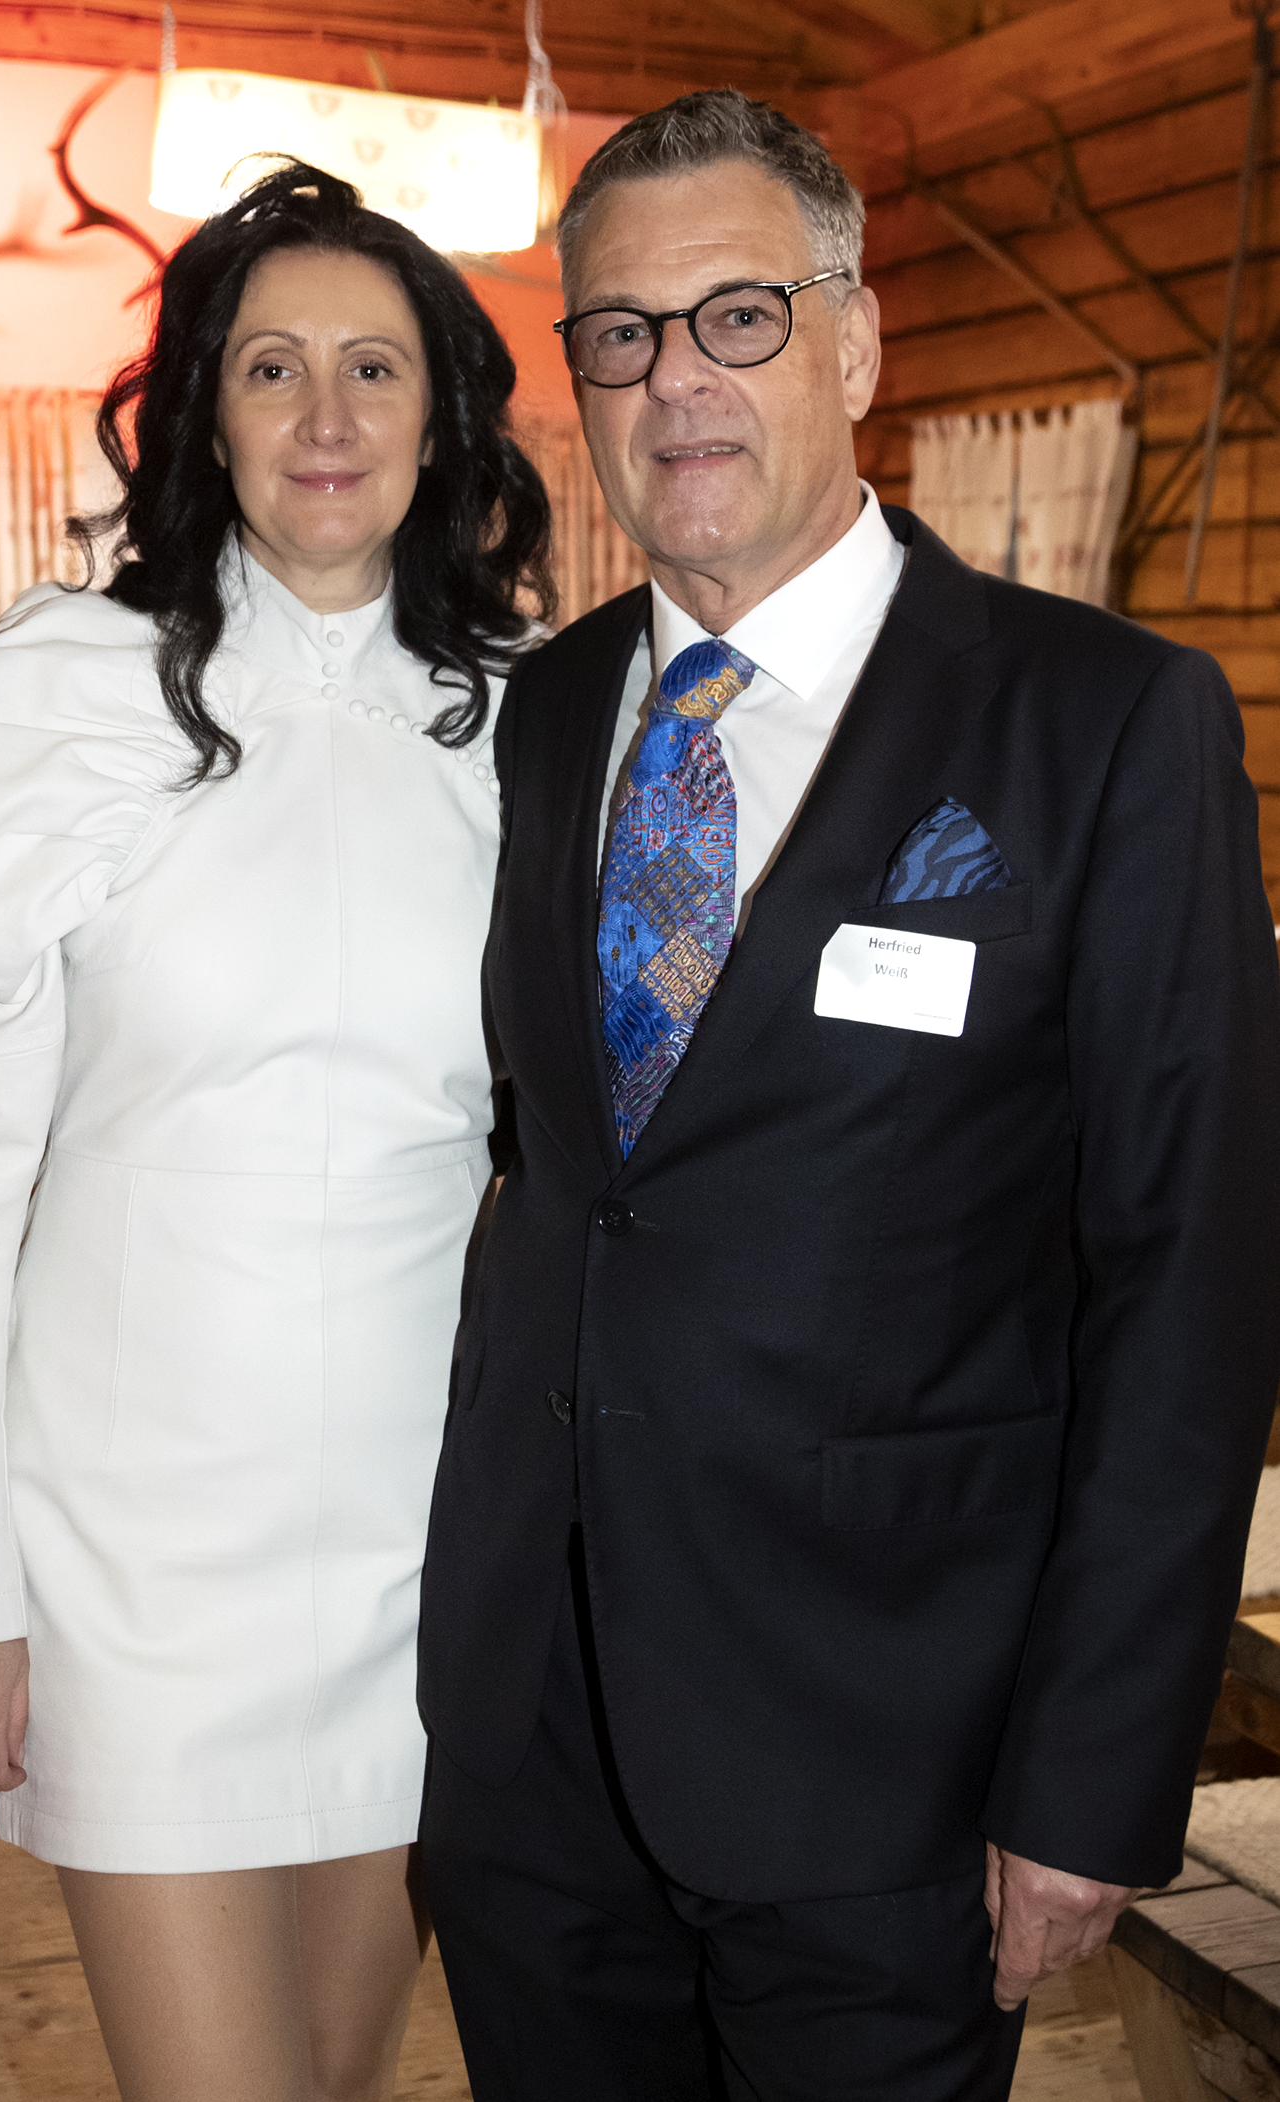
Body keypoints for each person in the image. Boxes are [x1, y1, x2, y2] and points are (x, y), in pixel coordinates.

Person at [416, 89, 1280, 2101]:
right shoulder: (548, 712)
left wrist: (1093, 1772)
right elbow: (564, 1180)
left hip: (897, 1765)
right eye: (620, 332)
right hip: (534, 1748)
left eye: (739, 314)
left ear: (858, 341)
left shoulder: (1105, 722)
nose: (677, 379)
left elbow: (1193, 1283)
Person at [0, 160, 551, 2102]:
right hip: (130, 1560)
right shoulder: (64, 685)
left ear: (443, 418)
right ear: (204, 413)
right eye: (270, 366)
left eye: (375, 368)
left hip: (424, 1549)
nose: (326, 416)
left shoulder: (523, 722)